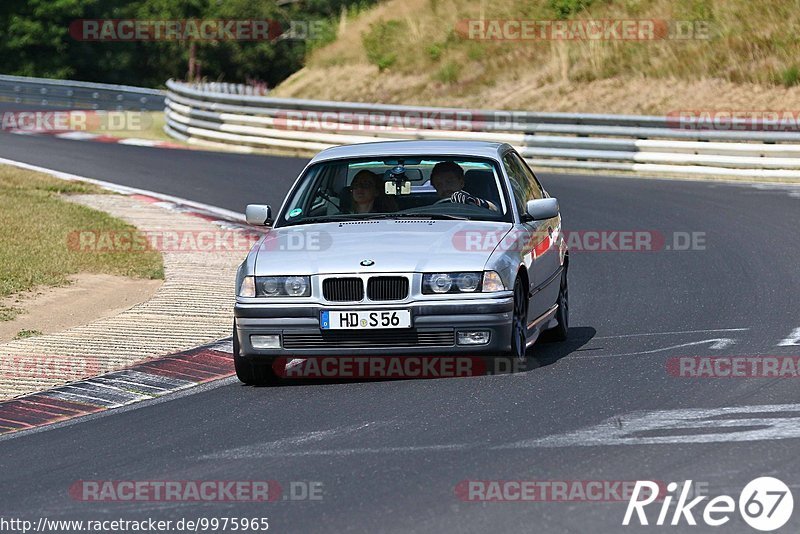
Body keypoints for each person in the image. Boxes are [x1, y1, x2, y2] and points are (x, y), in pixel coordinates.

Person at [429, 161, 498, 211]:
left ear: (461, 183)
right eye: (439, 184)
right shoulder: (430, 209)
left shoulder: (474, 202)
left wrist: (472, 201)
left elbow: (495, 209)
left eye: (449, 182)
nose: (444, 188)